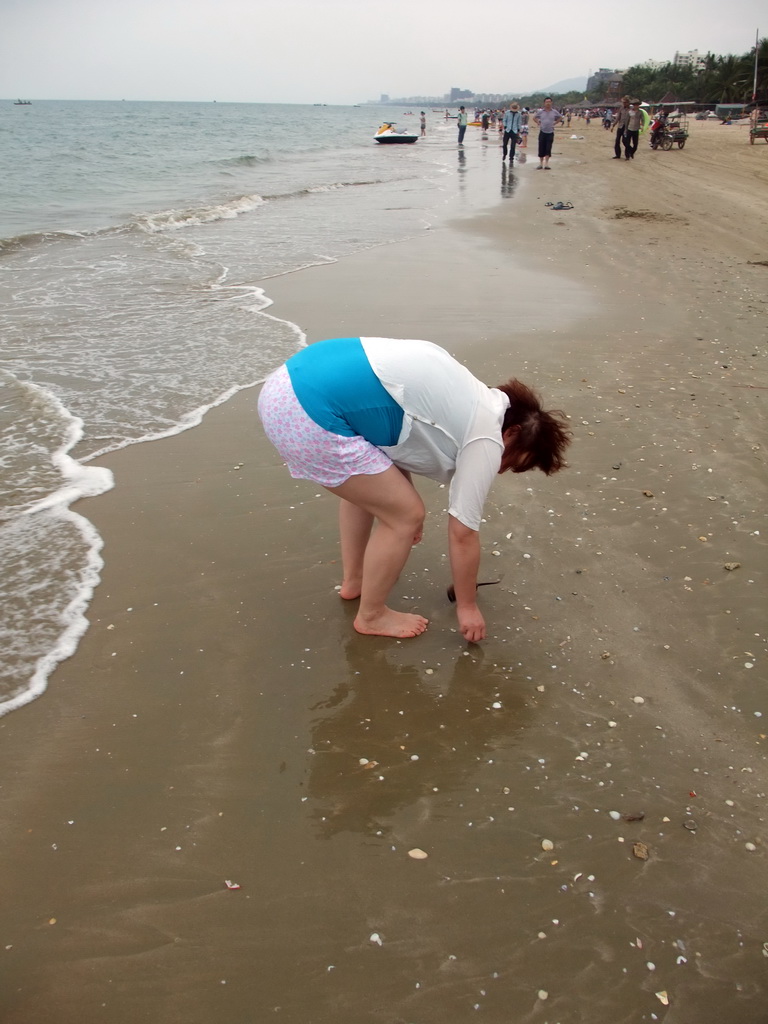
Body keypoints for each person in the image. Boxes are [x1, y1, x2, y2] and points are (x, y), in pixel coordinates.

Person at [257, 337, 570, 642]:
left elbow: (388, 448)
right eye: (513, 459)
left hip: (286, 385)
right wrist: (467, 605)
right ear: (512, 431)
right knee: (406, 515)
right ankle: (371, 616)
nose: (501, 468)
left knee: (370, 491)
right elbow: (463, 533)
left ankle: (355, 581)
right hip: (307, 414)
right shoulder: (487, 435)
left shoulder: (466, 395)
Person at [533, 97, 563, 169]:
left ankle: (546, 164)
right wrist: (538, 123)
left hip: (550, 132)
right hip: (542, 132)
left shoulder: (554, 111)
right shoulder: (541, 112)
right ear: (544, 103)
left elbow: (560, 117)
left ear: (551, 103)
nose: (548, 103)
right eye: (547, 102)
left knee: (548, 148)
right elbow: (534, 117)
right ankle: (540, 164)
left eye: (549, 102)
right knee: (541, 147)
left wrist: (555, 123)